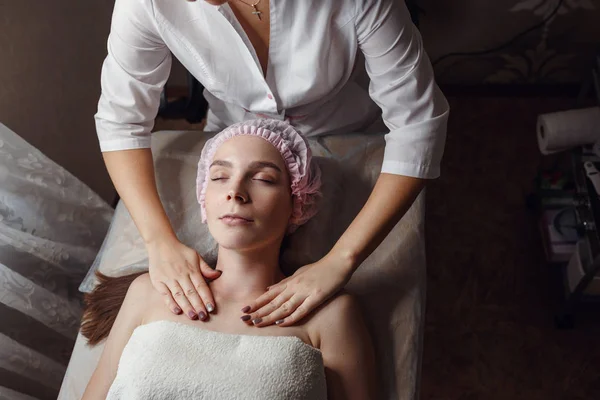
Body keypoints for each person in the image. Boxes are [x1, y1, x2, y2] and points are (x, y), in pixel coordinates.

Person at [96, 0, 449, 326]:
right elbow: (120, 121)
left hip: (348, 131)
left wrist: (341, 260)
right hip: (234, 135)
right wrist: (158, 241)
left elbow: (417, 123)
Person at [81, 120, 376, 399]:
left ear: (297, 202)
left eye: (264, 179)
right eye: (220, 177)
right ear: (204, 200)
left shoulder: (330, 316)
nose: (235, 192)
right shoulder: (148, 293)